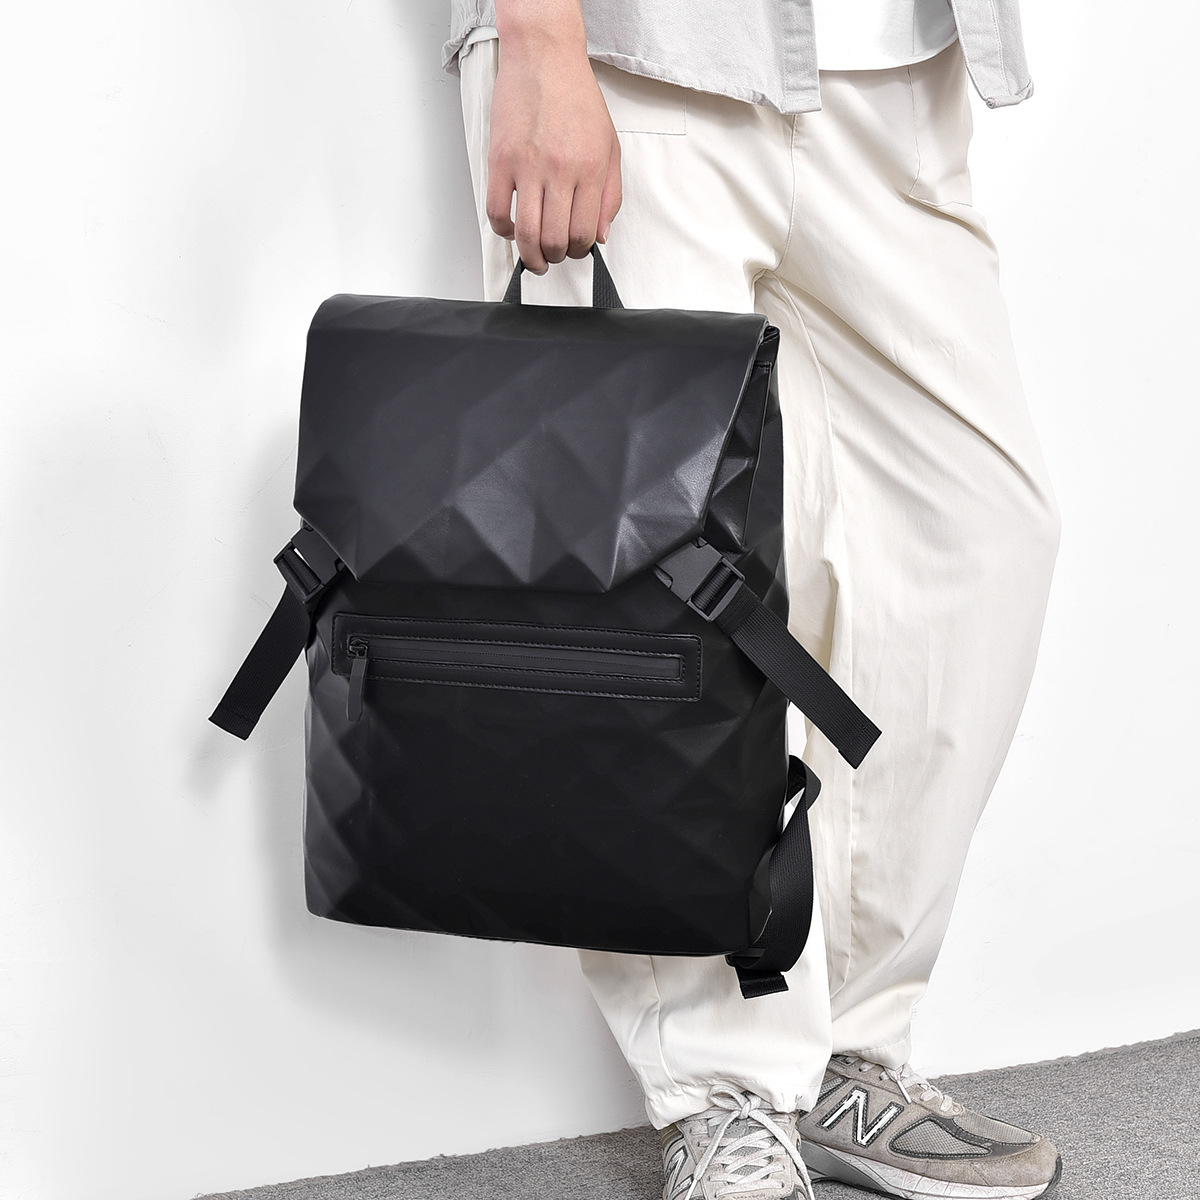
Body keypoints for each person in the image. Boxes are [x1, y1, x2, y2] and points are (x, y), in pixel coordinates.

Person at [443, 2, 1063, 1198]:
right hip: (634, 50)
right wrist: (538, 41)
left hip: (888, 60)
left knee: (977, 532)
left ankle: (842, 1053)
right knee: (648, 578)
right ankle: (725, 1090)